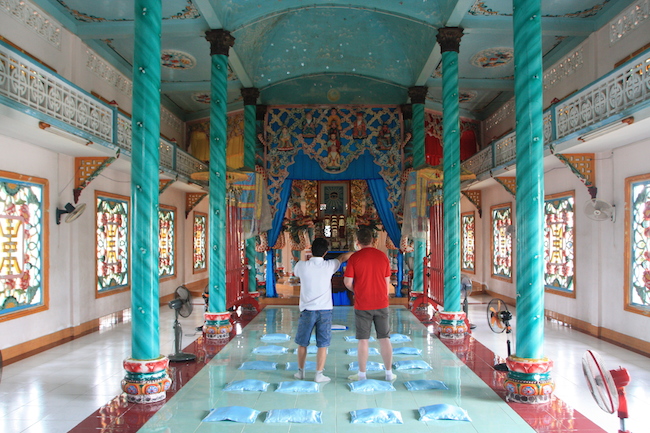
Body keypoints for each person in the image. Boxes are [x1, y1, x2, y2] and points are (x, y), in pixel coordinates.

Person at [293, 238, 353, 382]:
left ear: (311, 250)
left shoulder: (301, 266)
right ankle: (318, 375)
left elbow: (296, 272)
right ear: (326, 252)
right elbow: (343, 257)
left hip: (307, 310)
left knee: (303, 343)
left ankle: (301, 372)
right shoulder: (329, 265)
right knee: (323, 344)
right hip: (325, 311)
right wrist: (358, 251)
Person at [344, 226, 396, 382]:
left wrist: (357, 290)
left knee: (363, 340)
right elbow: (387, 282)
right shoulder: (383, 257)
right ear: (373, 240)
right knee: (384, 338)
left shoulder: (354, 258)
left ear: (357, 242)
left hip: (362, 303)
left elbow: (347, 282)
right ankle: (388, 373)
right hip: (381, 302)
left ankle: (362, 375)